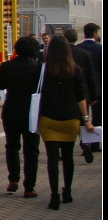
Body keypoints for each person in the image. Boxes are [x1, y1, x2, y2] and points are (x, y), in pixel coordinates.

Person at [38, 36, 95, 210]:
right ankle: (67, 191)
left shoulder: (44, 70)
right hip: (70, 119)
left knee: (52, 158)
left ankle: (54, 196)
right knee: (68, 157)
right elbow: (80, 97)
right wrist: (86, 120)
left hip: (48, 118)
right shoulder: (76, 70)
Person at [0, 36, 43, 197]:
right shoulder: (38, 68)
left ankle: (13, 179)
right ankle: (29, 187)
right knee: (31, 150)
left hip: (11, 111)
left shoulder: (7, 66)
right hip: (31, 113)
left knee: (12, 146)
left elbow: (1, 85)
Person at [64, 28, 96, 163]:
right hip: (83, 93)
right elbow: (90, 76)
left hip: (65, 93)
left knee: (66, 120)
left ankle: (64, 148)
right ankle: (84, 143)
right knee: (83, 119)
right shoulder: (85, 54)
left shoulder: (61, 54)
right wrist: (93, 96)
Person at [74, 23, 102, 152]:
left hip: (81, 89)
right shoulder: (100, 49)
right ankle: (95, 144)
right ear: (95, 33)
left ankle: (84, 142)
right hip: (98, 88)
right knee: (97, 117)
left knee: (82, 117)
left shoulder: (77, 49)